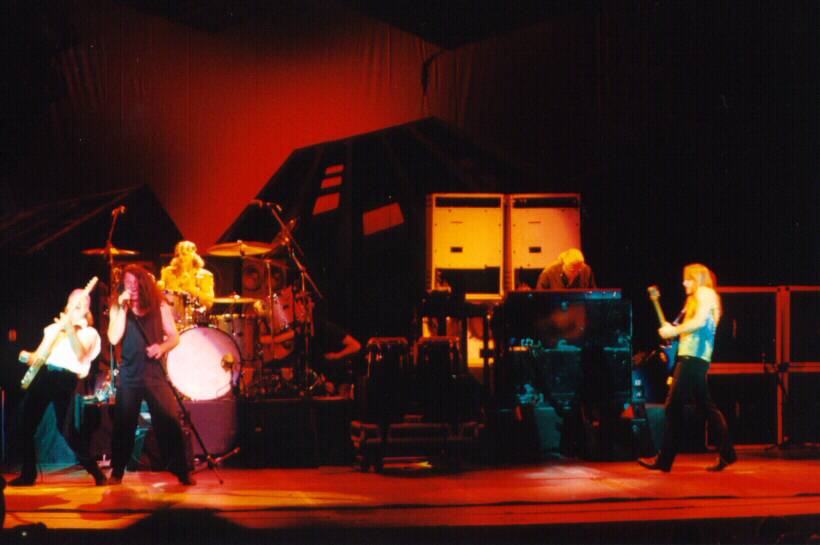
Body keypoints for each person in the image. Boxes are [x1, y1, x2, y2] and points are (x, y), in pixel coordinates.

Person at [638, 263, 736, 472]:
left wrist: (674, 331)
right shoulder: (696, 298)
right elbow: (694, 327)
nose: (684, 283)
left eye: (688, 279)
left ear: (698, 279)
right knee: (705, 405)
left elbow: (699, 322)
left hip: (693, 357)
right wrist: (672, 329)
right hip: (693, 356)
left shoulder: (705, 293)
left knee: (674, 405)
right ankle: (727, 452)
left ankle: (665, 460)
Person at [107, 264, 194, 485]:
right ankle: (117, 471)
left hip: (154, 373)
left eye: (135, 282)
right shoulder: (119, 307)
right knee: (124, 423)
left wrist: (161, 347)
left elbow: (174, 336)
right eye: (127, 283)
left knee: (169, 420)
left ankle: (181, 470)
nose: (132, 287)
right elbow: (113, 338)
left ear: (144, 283)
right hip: (129, 374)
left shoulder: (159, 305)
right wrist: (122, 308)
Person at [10, 287, 106, 486]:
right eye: (74, 302)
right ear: (68, 306)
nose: (78, 306)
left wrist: (69, 329)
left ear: (86, 310)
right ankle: (28, 474)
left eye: (83, 304)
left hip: (65, 379)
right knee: (24, 422)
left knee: (67, 431)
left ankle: (95, 471)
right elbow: (38, 358)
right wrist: (25, 356)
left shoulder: (89, 333)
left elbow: (80, 354)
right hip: (46, 375)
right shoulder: (53, 329)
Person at [158, 240, 215, 311]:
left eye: (184, 254)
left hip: (193, 314)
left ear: (193, 255)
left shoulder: (205, 275)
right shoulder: (168, 272)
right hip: (169, 313)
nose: (180, 257)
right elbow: (162, 296)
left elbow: (209, 303)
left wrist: (190, 288)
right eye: (177, 255)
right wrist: (158, 289)